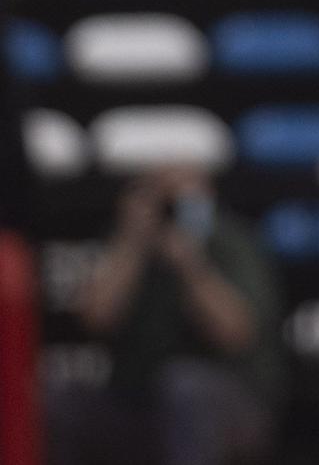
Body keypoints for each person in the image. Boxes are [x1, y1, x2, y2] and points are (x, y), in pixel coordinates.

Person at [44, 165, 285, 465]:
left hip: (228, 402)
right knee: (58, 400)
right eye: (156, 192)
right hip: (139, 403)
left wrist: (189, 263)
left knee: (183, 386)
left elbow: (236, 333)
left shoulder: (230, 238)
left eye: (177, 194)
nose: (167, 207)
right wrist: (131, 245)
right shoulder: (126, 242)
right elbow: (94, 319)